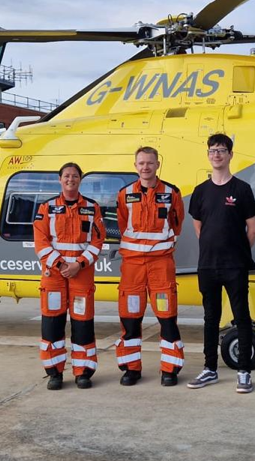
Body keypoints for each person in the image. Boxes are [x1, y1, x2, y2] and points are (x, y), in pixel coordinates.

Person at [186, 133, 255, 393]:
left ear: (230, 155)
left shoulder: (241, 189)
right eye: (212, 150)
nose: (216, 154)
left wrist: (238, 252)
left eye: (221, 150)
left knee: (241, 317)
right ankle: (210, 369)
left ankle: (244, 371)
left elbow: (253, 228)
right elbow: (199, 227)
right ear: (208, 155)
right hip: (208, 265)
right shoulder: (200, 192)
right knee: (210, 317)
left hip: (235, 266)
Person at [115, 146, 186, 386]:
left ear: (157, 164)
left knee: (167, 318)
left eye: (150, 163)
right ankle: (131, 369)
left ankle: (170, 369)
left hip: (161, 265)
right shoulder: (124, 194)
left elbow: (177, 224)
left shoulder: (172, 193)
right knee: (130, 318)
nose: (146, 167)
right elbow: (123, 224)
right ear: (136, 166)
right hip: (132, 267)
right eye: (141, 163)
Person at [33, 163, 105, 390]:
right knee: (52, 322)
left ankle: (83, 372)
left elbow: (98, 241)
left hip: (81, 275)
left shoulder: (92, 208)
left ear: (80, 179)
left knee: (83, 323)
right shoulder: (46, 207)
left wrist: (78, 264)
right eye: (66, 176)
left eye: (74, 176)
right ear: (60, 179)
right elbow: (40, 241)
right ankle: (55, 373)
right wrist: (61, 264)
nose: (70, 179)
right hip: (54, 275)